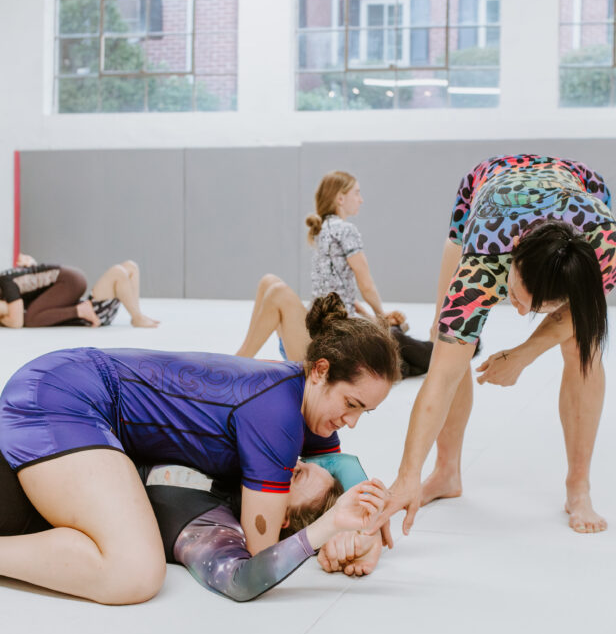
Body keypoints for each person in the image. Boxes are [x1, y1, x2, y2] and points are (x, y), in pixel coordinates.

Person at [0, 293, 399, 604]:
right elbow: (258, 553)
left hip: (71, 387)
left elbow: (341, 465)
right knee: (134, 571)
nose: (351, 422)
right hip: (66, 396)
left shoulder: (305, 406)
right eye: (351, 404)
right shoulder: (277, 417)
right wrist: (333, 533)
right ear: (320, 370)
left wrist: (366, 533)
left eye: (365, 412)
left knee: (134, 565)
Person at [374, 154, 616, 537]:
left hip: (579, 186)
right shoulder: (483, 260)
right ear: (515, 252)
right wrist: (407, 475)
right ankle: (445, 472)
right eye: (519, 297)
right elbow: (440, 378)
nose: (521, 311)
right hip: (484, 188)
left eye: (539, 309)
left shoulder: (603, 243)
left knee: (582, 349)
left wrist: (523, 354)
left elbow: (583, 317)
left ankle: (578, 485)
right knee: (449, 338)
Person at [0, 452, 382, 601]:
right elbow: (345, 460)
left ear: (283, 519)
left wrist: (331, 526)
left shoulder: (214, 525)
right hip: (31, 453)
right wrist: (369, 531)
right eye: (296, 459)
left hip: (17, 504)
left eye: (295, 475)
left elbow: (242, 580)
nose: (287, 462)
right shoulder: (234, 453)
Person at [236, 171, 432, 378]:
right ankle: (238, 363)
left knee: (269, 282)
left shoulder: (322, 230)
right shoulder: (346, 230)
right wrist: (381, 317)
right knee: (275, 288)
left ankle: (238, 361)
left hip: (312, 336)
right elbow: (366, 285)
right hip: (323, 345)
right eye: (356, 193)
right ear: (340, 198)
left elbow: (342, 296)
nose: (361, 199)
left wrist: (374, 319)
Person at [0, 252, 159, 328]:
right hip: (72, 281)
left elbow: (16, 321)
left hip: (68, 281)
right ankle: (137, 314)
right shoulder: (8, 277)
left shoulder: (6, 282)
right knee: (129, 267)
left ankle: (137, 317)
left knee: (31, 319)